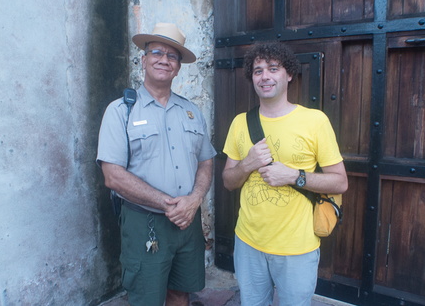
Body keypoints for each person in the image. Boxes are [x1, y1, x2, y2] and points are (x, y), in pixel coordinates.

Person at [97, 22, 216, 306]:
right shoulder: (120, 111)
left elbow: (206, 161)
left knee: (180, 292)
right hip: (145, 222)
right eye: (156, 52)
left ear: (178, 66)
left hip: (188, 222)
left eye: (172, 56)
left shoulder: (191, 111)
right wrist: (168, 204)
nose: (164, 59)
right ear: (144, 60)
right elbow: (112, 176)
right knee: (146, 298)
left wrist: (195, 199)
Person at [222, 41, 348, 306]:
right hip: (248, 243)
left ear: (289, 74)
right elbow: (228, 181)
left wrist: (294, 176)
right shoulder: (239, 123)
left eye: (273, 68)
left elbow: (340, 182)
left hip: (297, 247)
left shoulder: (315, 121)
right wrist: (247, 164)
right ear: (252, 78)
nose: (265, 76)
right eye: (258, 71)